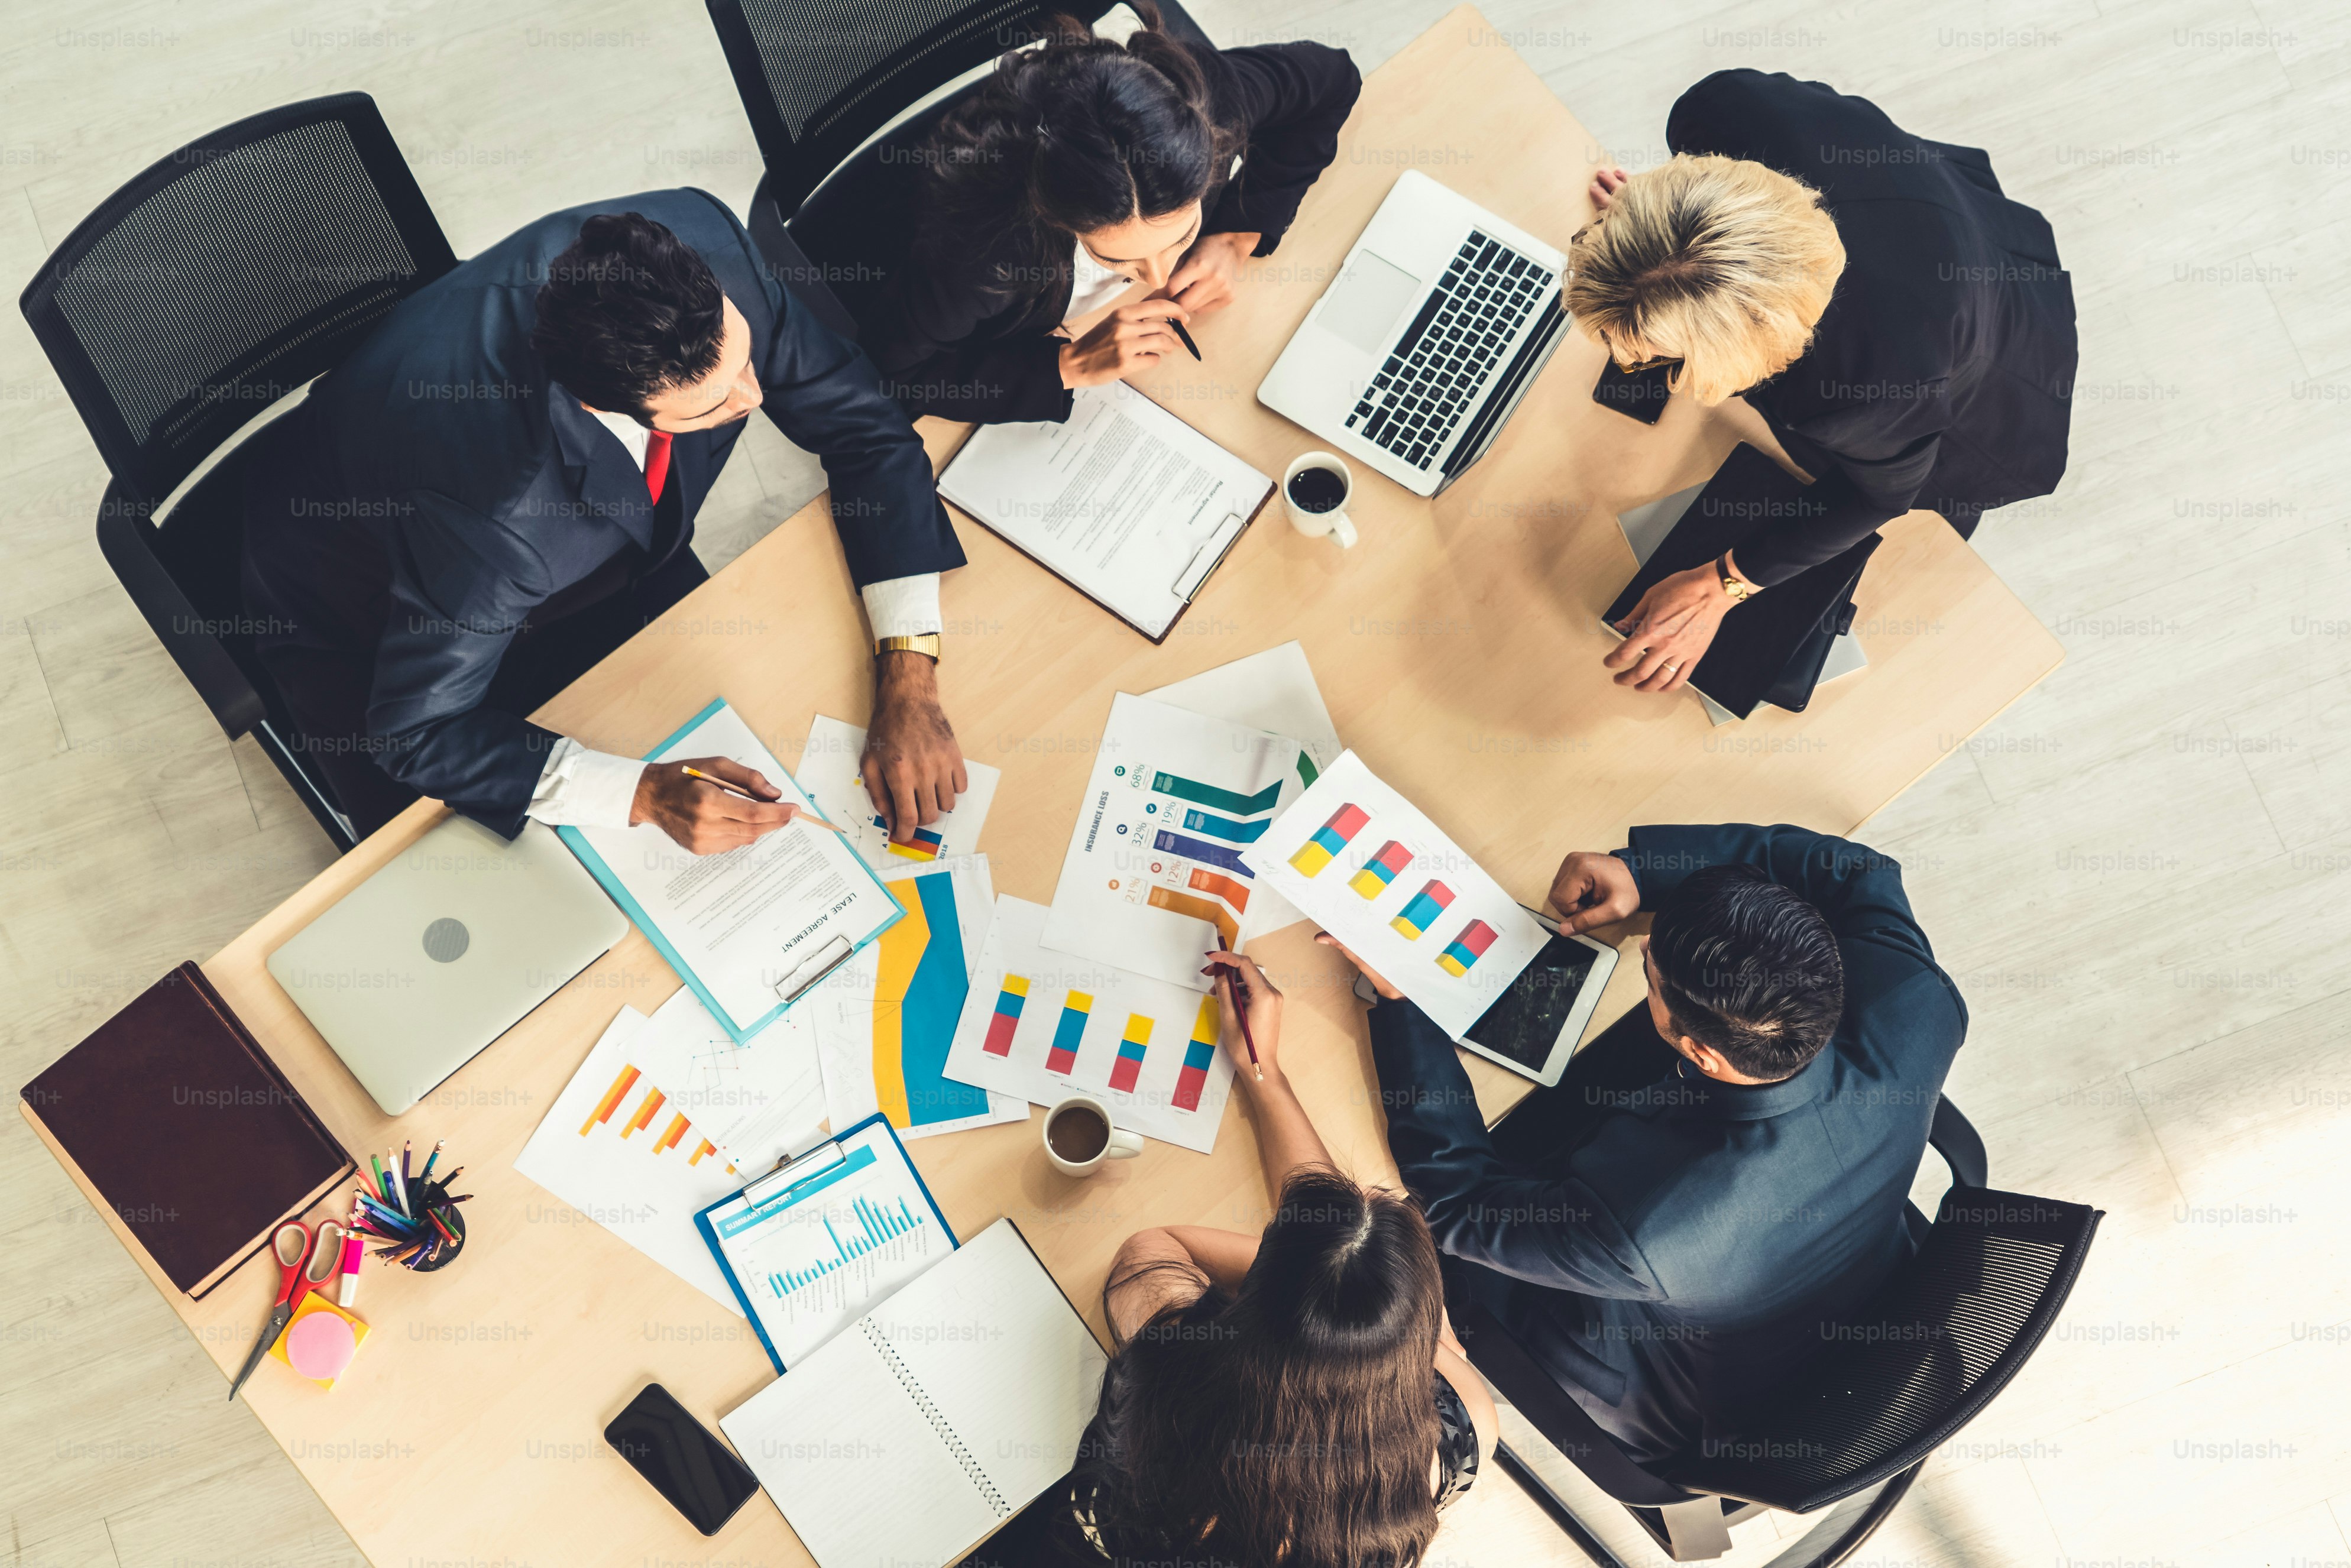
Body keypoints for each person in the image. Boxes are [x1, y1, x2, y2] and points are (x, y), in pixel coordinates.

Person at [241, 193, 967, 850]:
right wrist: (644, 795)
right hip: (359, 603)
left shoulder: (705, 251)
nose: (752, 397)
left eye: (744, 360)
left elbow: (868, 430)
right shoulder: (505, 523)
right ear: (600, 405)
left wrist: (909, 677)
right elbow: (415, 732)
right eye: (711, 406)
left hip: (588, 539)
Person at [1325, 825, 1965, 1465]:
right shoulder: (1913, 998)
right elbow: (1858, 871)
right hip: (1858, 1269)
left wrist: (1401, 1000)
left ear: (1700, 1052)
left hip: (1689, 1395)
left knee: (1415, 1235)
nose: (1647, 979)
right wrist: (1644, 872)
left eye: (1649, 979)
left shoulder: (1643, 1229)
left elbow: (1459, 1202)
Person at [1570, 70, 2077, 695]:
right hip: (1920, 213)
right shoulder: (1725, 108)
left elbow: (1878, 497)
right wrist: (1659, 239)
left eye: (1660, 357)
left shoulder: (1871, 389)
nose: (1631, 362)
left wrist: (1720, 587)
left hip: (1987, 356)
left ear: (1757, 348)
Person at [1008, 951, 1494, 1568]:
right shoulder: (1465, 1425)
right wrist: (1262, 1075)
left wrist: (1291, 1273)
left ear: (1248, 1300)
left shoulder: (1167, 1383)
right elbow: (1358, 1312)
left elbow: (1154, 1250)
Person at [858, 4, 1359, 423]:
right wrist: (1066, 366)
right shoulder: (984, 257)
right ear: (1054, 219)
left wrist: (1234, 236)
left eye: (1180, 237)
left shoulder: (1208, 106)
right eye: (1118, 261)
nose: (1161, 277)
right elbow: (884, 376)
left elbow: (1334, 82)